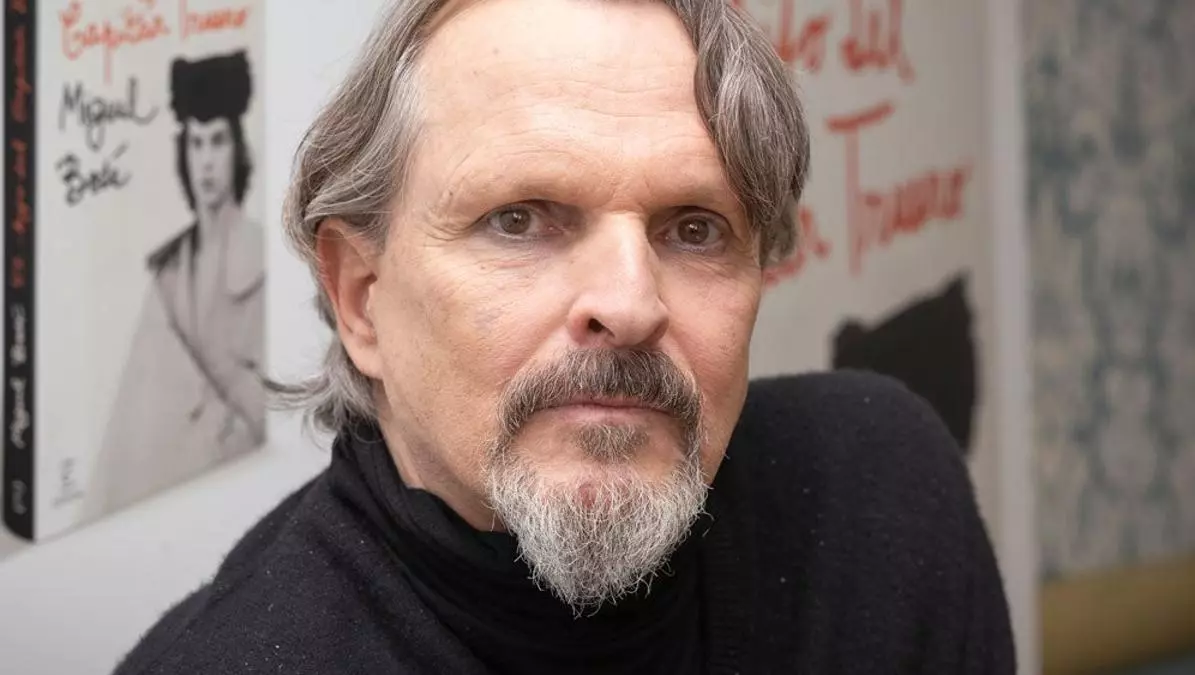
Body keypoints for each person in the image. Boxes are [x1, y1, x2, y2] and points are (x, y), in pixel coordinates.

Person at [112, 0, 1014, 672]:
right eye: (520, 220)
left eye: (694, 228)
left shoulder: (879, 513)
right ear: (360, 299)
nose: (630, 302)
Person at [83, 51, 266, 520]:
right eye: (196, 143)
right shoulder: (168, 270)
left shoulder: (260, 260)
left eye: (218, 141)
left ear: (237, 148)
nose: (206, 161)